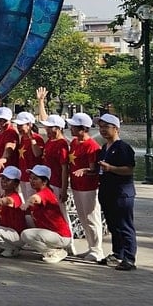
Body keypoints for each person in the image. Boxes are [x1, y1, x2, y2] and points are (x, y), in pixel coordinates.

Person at [96, 113, 138, 271]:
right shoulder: (104, 148)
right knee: (113, 225)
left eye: (106, 127)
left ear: (116, 129)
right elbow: (100, 169)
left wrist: (111, 168)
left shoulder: (123, 148)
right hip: (107, 192)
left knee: (125, 225)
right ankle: (117, 254)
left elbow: (129, 169)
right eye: (100, 127)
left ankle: (129, 258)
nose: (102, 130)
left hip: (121, 193)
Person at [66, 112, 105, 262]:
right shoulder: (75, 142)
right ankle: (91, 247)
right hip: (76, 186)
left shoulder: (92, 146)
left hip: (89, 188)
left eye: (74, 127)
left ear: (83, 129)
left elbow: (94, 169)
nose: (71, 129)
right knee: (83, 218)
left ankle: (97, 250)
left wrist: (85, 171)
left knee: (91, 218)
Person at [18, 165, 73, 263]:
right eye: (30, 178)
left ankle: (54, 252)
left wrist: (27, 203)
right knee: (26, 218)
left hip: (61, 236)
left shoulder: (45, 193)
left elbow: (35, 199)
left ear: (45, 181)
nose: (31, 181)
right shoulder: (40, 191)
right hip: (50, 233)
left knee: (26, 234)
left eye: (35, 179)